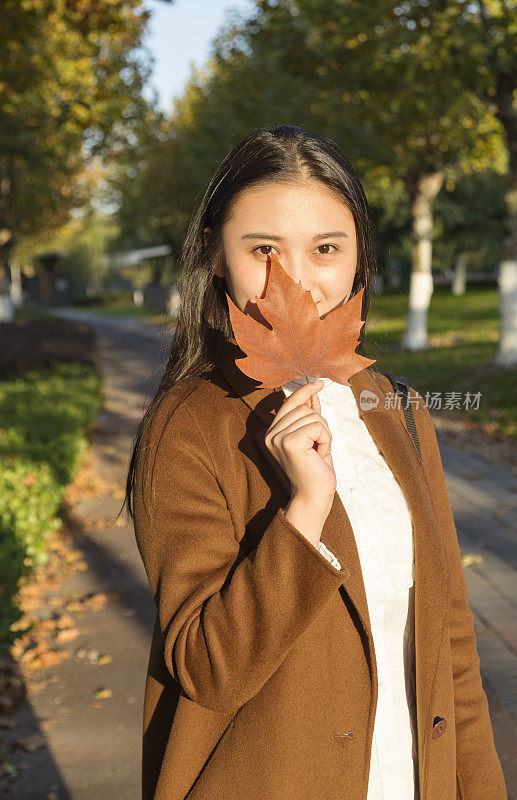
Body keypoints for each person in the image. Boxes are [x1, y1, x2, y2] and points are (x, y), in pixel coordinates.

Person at [125, 124, 507, 800]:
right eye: (263, 249)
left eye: (325, 248)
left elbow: (450, 642)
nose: (294, 280)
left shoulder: (396, 409)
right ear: (215, 255)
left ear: (359, 255)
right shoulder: (190, 427)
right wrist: (302, 513)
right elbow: (208, 670)